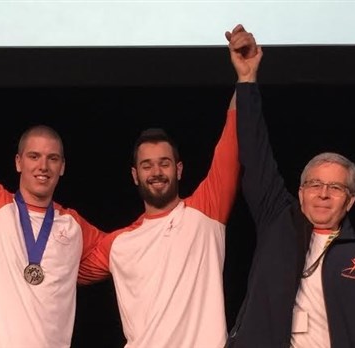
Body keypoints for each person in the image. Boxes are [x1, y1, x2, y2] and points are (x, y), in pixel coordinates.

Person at [0, 16, 107, 348]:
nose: (43, 166)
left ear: (63, 167)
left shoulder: (73, 227)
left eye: (52, 158)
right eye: (34, 156)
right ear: (18, 162)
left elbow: (128, 252)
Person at [79, 25, 259, 348]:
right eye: (147, 165)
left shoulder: (205, 212)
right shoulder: (118, 244)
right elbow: (58, 267)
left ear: (178, 169)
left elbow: (231, 143)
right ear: (135, 175)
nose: (156, 172)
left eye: (164, 163)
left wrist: (245, 79)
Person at [225, 28, 355, 347]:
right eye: (315, 184)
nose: (322, 193)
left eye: (335, 187)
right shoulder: (278, 222)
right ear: (301, 190)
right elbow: (255, 153)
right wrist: (247, 80)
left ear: (349, 201)